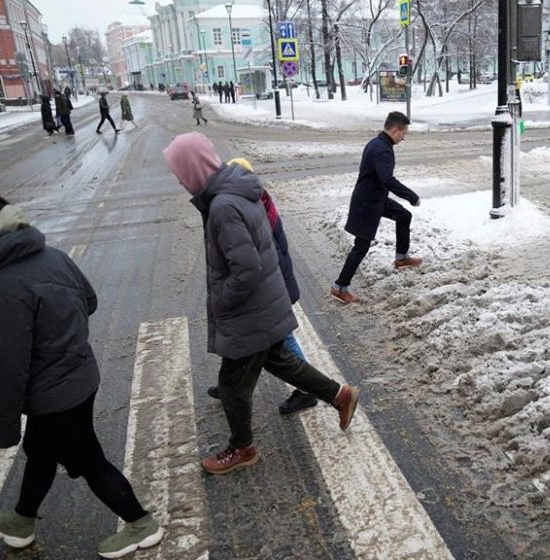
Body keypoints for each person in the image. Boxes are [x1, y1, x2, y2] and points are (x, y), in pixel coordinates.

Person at [162, 133, 360, 475]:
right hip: (263, 301)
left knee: (231, 384)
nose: (179, 179)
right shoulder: (234, 191)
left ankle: (243, 447)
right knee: (281, 361)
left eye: (179, 171)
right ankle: (339, 395)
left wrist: (222, 301)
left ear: (194, 168)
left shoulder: (223, 206)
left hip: (248, 310)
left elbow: (247, 267)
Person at [0, 195, 164, 557]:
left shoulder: (3, 288)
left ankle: (141, 525)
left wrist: (2, 427)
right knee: (40, 451)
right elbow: (90, 301)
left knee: (88, 461)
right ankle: (21, 521)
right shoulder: (53, 256)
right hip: (80, 375)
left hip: (55, 394)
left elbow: (8, 368)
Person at [205, 158, 318, 414]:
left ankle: (309, 389)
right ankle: (230, 386)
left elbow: (266, 255)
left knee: (279, 341)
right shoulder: (256, 200)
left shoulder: (247, 207)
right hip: (274, 283)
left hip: (271, 287)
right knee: (246, 340)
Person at [331, 111, 422, 304]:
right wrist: (411, 196)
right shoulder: (382, 149)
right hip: (367, 203)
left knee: (403, 215)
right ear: (395, 130)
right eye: (403, 133)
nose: (404, 137)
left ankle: (401, 257)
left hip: (375, 199)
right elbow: (387, 179)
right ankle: (339, 287)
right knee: (361, 247)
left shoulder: (378, 143)